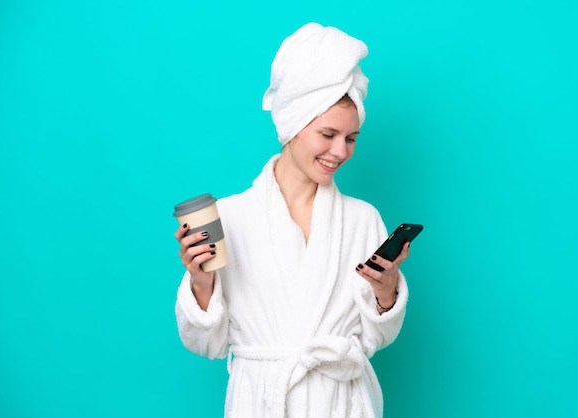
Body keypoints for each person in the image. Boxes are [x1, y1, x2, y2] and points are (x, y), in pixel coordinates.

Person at [174, 22, 411, 418]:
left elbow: (376, 337)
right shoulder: (230, 217)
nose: (341, 151)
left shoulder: (362, 219)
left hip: (340, 404)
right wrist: (202, 282)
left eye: (351, 138)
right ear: (292, 126)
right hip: (261, 403)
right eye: (328, 133)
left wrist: (386, 295)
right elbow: (207, 344)